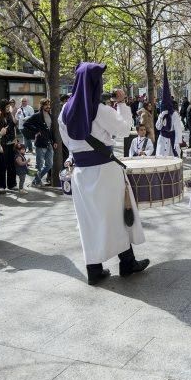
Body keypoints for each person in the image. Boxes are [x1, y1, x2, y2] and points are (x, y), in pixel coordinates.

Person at [59, 62, 149, 285]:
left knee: (88, 221)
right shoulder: (100, 110)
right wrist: (122, 103)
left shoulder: (65, 111)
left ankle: (94, 269)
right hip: (105, 172)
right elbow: (124, 128)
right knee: (117, 217)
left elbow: (67, 141)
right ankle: (127, 263)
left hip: (81, 173)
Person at [23, 99, 57, 187]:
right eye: (46, 105)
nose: (48, 106)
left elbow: (52, 130)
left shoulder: (51, 116)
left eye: (49, 105)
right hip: (40, 143)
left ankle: (36, 180)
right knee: (39, 165)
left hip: (49, 143)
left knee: (49, 165)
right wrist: (36, 130)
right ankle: (37, 182)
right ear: (42, 105)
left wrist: (55, 141)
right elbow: (26, 124)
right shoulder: (37, 115)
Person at [155, 64, 183, 157]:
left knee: (172, 158)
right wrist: (161, 116)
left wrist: (177, 142)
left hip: (172, 139)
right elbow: (158, 127)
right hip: (162, 139)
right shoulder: (161, 114)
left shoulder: (174, 114)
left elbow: (178, 129)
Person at [0, 99, 18, 192]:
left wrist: (15, 139)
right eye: (7, 107)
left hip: (11, 142)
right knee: (2, 165)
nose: (9, 108)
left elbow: (13, 127)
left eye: (9, 107)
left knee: (11, 164)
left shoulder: (10, 115)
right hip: (2, 143)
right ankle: (1, 185)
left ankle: (12, 184)